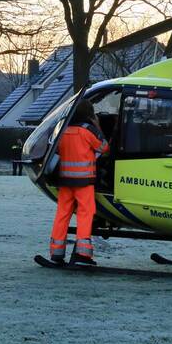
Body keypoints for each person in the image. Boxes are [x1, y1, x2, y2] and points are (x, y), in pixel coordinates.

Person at [50, 99, 109, 266]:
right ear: (89, 114)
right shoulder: (88, 130)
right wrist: (98, 126)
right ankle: (83, 254)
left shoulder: (62, 130)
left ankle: (56, 252)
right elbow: (104, 148)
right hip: (84, 182)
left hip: (65, 181)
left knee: (62, 214)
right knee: (85, 214)